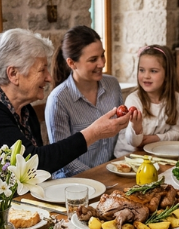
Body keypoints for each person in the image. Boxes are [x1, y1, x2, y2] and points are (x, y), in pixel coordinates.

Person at [0, 29, 130, 229]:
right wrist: (94, 132)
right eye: (41, 69)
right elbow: (34, 162)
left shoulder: (23, 110)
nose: (48, 77)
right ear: (13, 74)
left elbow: (37, 175)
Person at [47, 26, 124, 179]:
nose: (102, 63)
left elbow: (121, 135)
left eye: (103, 55)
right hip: (75, 185)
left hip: (112, 176)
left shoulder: (113, 85)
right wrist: (98, 177)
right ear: (72, 63)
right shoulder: (58, 100)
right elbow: (63, 159)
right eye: (93, 59)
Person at [114, 45, 179, 157]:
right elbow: (134, 143)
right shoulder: (134, 100)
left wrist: (155, 138)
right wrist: (136, 128)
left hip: (156, 155)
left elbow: (177, 132)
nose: (146, 76)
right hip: (128, 157)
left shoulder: (176, 98)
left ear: (167, 74)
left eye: (153, 71)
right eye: (142, 70)